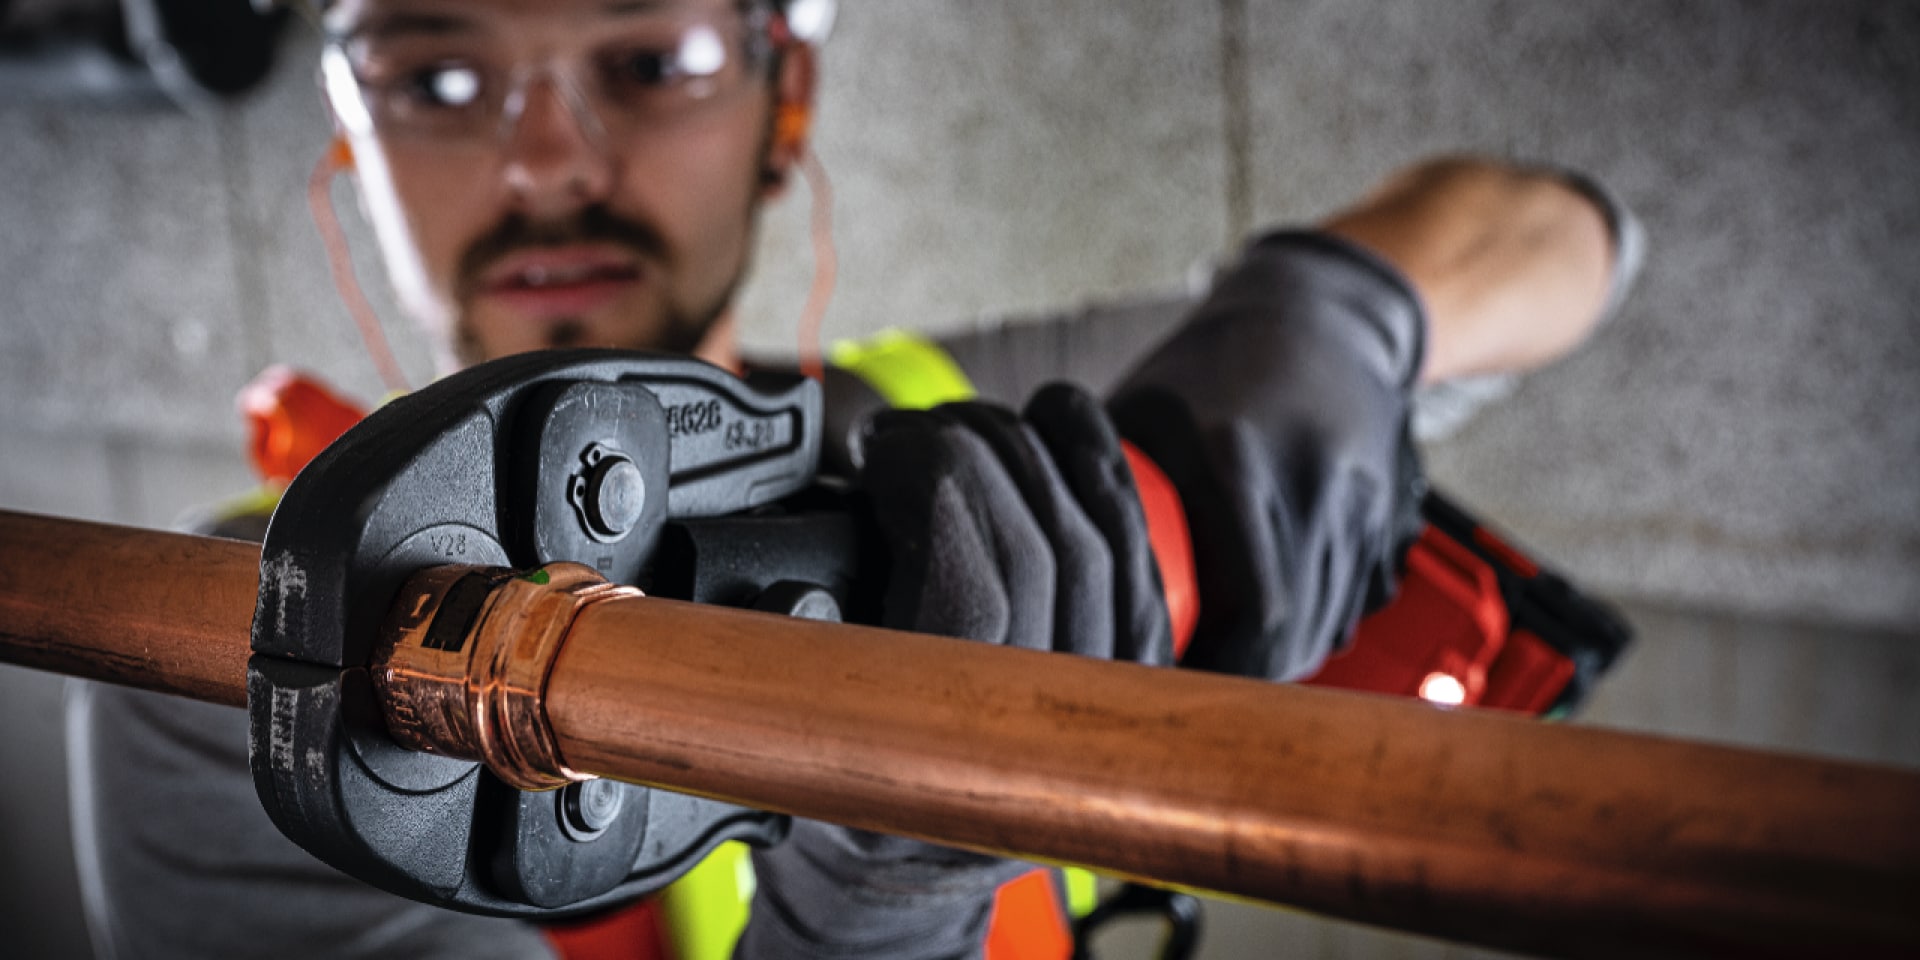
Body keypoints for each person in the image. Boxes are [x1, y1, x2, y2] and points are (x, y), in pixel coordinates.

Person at [65, 0, 1637, 957]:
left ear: (782, 102)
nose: (548, 163)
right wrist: (886, 901)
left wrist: (1332, 315)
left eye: (651, 57)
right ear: (353, 137)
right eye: (443, 82)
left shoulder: (993, 418)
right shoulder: (211, 666)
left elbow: (1562, 233)